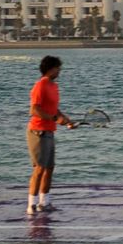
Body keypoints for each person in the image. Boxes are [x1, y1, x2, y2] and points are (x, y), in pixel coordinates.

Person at [28, 55, 75, 215]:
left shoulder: (54, 87)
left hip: (49, 131)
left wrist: (65, 119)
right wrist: (55, 118)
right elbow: (35, 109)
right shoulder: (40, 86)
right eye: (58, 68)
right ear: (51, 68)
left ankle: (44, 202)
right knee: (39, 169)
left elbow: (53, 109)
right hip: (38, 132)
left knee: (49, 168)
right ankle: (31, 205)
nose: (59, 71)